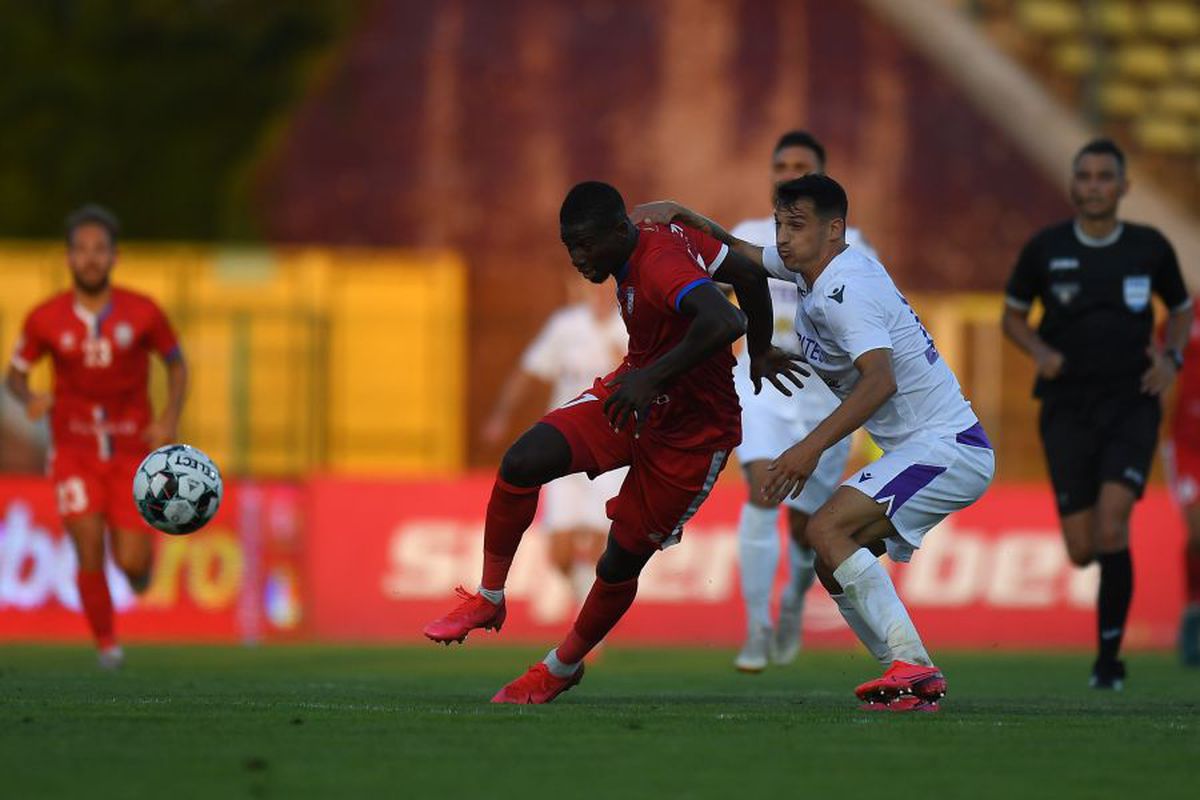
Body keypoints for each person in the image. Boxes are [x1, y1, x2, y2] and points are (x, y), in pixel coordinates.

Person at [423, 181, 800, 703]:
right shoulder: (649, 237)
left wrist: (681, 368)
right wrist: (759, 350)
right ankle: (489, 597)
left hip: (692, 434)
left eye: (586, 245)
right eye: (570, 246)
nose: (578, 258)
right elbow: (749, 274)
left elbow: (725, 317)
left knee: (619, 561)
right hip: (632, 395)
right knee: (523, 460)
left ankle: (561, 667)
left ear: (620, 231)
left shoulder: (659, 263)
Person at [634, 174, 994, 712]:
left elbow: (879, 381)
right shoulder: (815, 270)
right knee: (829, 557)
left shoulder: (846, 290)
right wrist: (683, 213)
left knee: (826, 529)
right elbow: (744, 253)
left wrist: (810, 448)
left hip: (947, 446)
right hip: (925, 448)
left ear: (834, 229)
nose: (783, 237)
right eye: (779, 223)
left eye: (795, 225)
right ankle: (910, 676)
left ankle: (912, 665)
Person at [1002, 138, 1192, 689]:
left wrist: (1172, 359)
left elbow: (1181, 310)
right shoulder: (1046, 248)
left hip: (1132, 402)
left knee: (1113, 524)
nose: (1093, 186)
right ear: (1072, 186)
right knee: (1083, 548)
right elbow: (1012, 316)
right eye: (1084, 177)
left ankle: (1109, 662)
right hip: (1066, 407)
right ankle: (1107, 646)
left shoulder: (1149, 248)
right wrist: (1040, 351)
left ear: (1123, 186)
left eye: (1104, 177)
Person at [5, 205, 188, 670]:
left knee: (131, 563)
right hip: (75, 450)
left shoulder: (143, 312)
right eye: (82, 250)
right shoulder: (45, 318)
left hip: (131, 451)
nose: (90, 258)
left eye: (99, 249)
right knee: (87, 546)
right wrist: (30, 397)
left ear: (114, 256)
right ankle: (107, 646)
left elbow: (176, 363)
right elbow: (15, 376)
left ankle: (140, 571)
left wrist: (168, 417)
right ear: (69, 257)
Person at [728, 130, 876, 672]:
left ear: (821, 176)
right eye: (782, 166)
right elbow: (712, 297)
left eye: (802, 166)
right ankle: (756, 627)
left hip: (824, 396)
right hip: (763, 383)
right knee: (763, 490)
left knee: (804, 525)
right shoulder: (748, 236)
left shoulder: (852, 245)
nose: (789, 175)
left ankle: (791, 602)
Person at [481, 278, 628, 607]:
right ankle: (583, 593)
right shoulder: (566, 327)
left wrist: (623, 362)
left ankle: (592, 617)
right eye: (596, 287)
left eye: (609, 288)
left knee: (603, 545)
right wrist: (501, 415)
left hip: (610, 448)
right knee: (559, 553)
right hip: (566, 446)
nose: (602, 294)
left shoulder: (629, 328)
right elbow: (529, 371)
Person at [1165, 305, 1200, 666]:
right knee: (1197, 532)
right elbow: (1153, 356)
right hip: (1189, 443)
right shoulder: (1185, 314)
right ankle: (1193, 611)